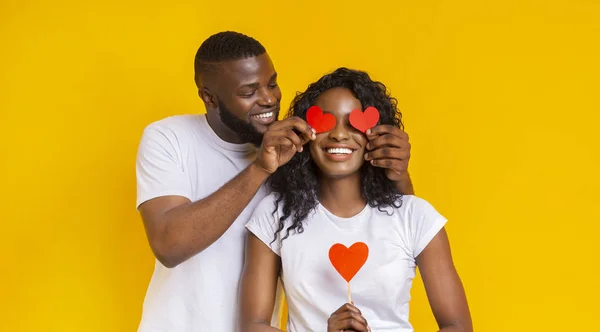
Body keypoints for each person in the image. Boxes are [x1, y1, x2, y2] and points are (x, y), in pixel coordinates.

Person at [135, 31, 414, 331]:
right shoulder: (169, 138)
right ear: (209, 98)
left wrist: (397, 170)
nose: (268, 99)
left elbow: (384, 225)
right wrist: (261, 168)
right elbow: (169, 245)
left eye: (272, 84)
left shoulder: (298, 153)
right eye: (248, 92)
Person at [240, 68, 472, 331]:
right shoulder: (274, 213)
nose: (339, 134)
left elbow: (458, 326)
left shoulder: (415, 216)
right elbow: (252, 326)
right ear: (304, 132)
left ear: (378, 135)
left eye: (355, 123)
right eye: (326, 122)